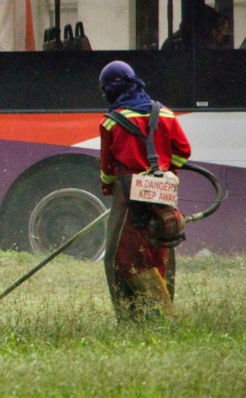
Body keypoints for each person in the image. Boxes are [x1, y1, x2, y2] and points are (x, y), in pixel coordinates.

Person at [98, 60, 191, 322]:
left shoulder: (110, 122)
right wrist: (164, 174)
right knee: (161, 248)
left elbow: (107, 169)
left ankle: (132, 317)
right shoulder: (165, 114)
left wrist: (109, 187)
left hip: (128, 197)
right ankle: (163, 312)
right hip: (162, 196)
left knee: (119, 256)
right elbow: (183, 151)